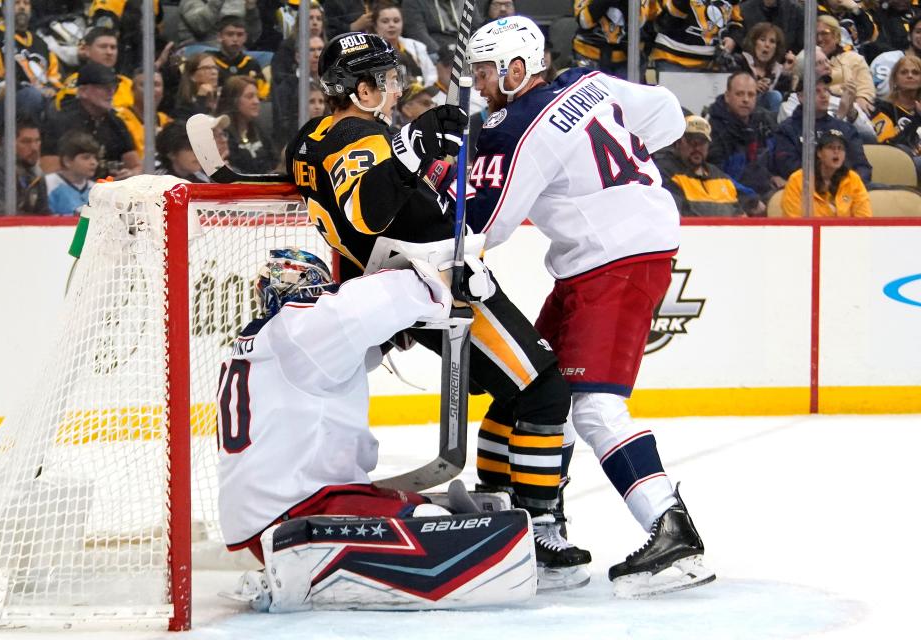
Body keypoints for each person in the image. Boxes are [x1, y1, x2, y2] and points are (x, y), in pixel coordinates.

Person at [285, 32, 591, 585]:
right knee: (544, 390)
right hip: (438, 281)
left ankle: (501, 500)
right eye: (386, 79)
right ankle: (543, 528)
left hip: (403, 285)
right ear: (362, 90)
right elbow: (366, 214)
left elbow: (345, 214)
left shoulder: (310, 138)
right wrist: (412, 149)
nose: (396, 86)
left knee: (513, 389)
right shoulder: (360, 134)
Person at [463, 15, 715, 596]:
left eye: (484, 71)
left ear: (516, 69)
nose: (478, 83)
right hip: (609, 255)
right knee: (530, 387)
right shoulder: (588, 82)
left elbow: (487, 227)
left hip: (616, 260)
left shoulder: (514, 126)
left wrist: (447, 177)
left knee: (595, 407)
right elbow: (669, 116)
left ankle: (672, 533)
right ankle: (533, 528)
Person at [217, 249, 537, 612]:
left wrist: (389, 336)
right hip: (300, 509)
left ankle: (304, 562)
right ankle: (303, 568)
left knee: (423, 509)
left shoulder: (264, 342)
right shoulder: (301, 327)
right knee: (430, 523)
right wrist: (437, 275)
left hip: (268, 512)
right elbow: (364, 303)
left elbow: (348, 353)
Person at [40, 62, 141, 179]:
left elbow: (136, 166)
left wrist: (131, 175)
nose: (111, 92)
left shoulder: (116, 122)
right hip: (73, 191)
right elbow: (50, 172)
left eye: (114, 87)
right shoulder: (60, 122)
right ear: (83, 91)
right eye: (104, 87)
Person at [0, 0, 62, 130]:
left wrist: (52, 90)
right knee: (32, 96)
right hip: (2, 106)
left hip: (41, 100)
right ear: (4, 9)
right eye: (16, 3)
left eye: (26, 3)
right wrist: (26, 89)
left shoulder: (40, 43)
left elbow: (55, 77)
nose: (22, 7)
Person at [657, 115, 765, 217]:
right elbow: (678, 213)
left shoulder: (718, 175)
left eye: (702, 142)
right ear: (678, 143)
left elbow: (739, 208)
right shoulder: (664, 173)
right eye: (692, 141)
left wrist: (751, 203)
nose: (697, 148)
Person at [773, 73, 872, 183]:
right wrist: (825, 183)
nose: (823, 95)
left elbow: (863, 167)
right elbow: (789, 169)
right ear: (801, 97)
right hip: (806, 192)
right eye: (816, 91)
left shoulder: (845, 129)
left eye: (826, 90)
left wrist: (848, 185)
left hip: (846, 190)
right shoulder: (787, 130)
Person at [706, 71, 780, 199]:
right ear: (727, 96)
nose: (746, 99)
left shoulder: (764, 122)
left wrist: (773, 177)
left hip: (764, 192)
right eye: (739, 94)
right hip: (729, 197)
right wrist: (749, 198)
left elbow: (775, 160)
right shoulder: (713, 129)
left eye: (751, 95)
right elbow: (715, 175)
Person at [782, 128, 872, 217]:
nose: (836, 152)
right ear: (819, 153)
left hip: (845, 231)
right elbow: (793, 221)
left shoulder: (853, 179)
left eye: (840, 148)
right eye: (830, 147)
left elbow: (864, 219)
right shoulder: (798, 180)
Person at [572, 0, 661, 78]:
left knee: (626, 96)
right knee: (590, 95)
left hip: (628, 57)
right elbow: (583, 21)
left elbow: (639, 22)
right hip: (588, 54)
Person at [648, 0, 743, 71]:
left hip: (711, 62)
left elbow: (736, 21)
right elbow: (673, 12)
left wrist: (732, 38)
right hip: (671, 57)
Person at [55, 27, 134, 111]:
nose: (109, 52)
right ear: (86, 50)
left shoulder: (127, 83)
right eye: (103, 47)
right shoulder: (78, 82)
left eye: (113, 47)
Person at [217, 76, 278, 173]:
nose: (256, 102)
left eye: (257, 96)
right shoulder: (222, 133)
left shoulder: (259, 128)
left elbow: (275, 161)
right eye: (250, 97)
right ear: (234, 100)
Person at [870, 55, 921, 171]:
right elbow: (890, 148)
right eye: (904, 72)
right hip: (901, 165)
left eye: (915, 72)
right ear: (895, 79)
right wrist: (917, 118)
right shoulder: (882, 108)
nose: (910, 75)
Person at [817, 15, 875, 113]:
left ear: (836, 36)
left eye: (824, 33)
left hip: (850, 109)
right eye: (815, 34)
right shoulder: (805, 60)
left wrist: (862, 99)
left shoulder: (854, 59)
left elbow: (866, 90)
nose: (819, 39)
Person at [371, 0, 436, 88]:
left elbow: (431, 77)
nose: (392, 25)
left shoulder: (416, 46)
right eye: (385, 21)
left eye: (396, 21)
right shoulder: (368, 50)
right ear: (375, 26)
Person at [732, 22, 793, 112]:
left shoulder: (778, 70)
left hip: (767, 117)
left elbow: (785, 101)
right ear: (754, 43)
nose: (767, 45)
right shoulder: (740, 62)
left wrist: (786, 74)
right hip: (742, 111)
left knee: (775, 96)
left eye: (772, 41)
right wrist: (752, 88)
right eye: (762, 40)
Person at [117, 68, 172, 159]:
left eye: (156, 85)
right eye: (144, 85)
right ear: (132, 90)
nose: (150, 90)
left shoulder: (167, 122)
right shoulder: (120, 119)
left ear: (163, 91)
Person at [213, 16, 269, 100]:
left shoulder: (251, 64)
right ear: (219, 37)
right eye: (230, 34)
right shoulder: (210, 61)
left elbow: (263, 95)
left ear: (245, 37)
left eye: (240, 35)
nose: (235, 39)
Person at [44, 131, 99, 215]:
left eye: (95, 158)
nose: (94, 162)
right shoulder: (47, 184)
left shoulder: (96, 189)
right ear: (67, 161)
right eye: (86, 158)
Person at [870, 15, 921, 100]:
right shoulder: (887, 60)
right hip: (884, 111)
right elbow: (871, 95)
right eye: (919, 32)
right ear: (909, 36)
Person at [178, 0, 262, 49]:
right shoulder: (189, 1)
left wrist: (251, 10)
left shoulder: (239, 3)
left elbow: (251, 38)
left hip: (234, 51)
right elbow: (200, 26)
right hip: (199, 49)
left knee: (267, 58)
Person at [738, 0, 804, 55]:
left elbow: (802, 48)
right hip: (748, 66)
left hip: (785, 64)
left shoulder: (795, 11)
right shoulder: (742, 10)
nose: (767, 45)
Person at [172, 52, 221, 120]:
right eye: (206, 68)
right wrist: (201, 97)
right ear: (192, 76)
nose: (214, 72)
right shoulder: (184, 106)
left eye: (215, 68)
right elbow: (196, 125)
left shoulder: (223, 97)